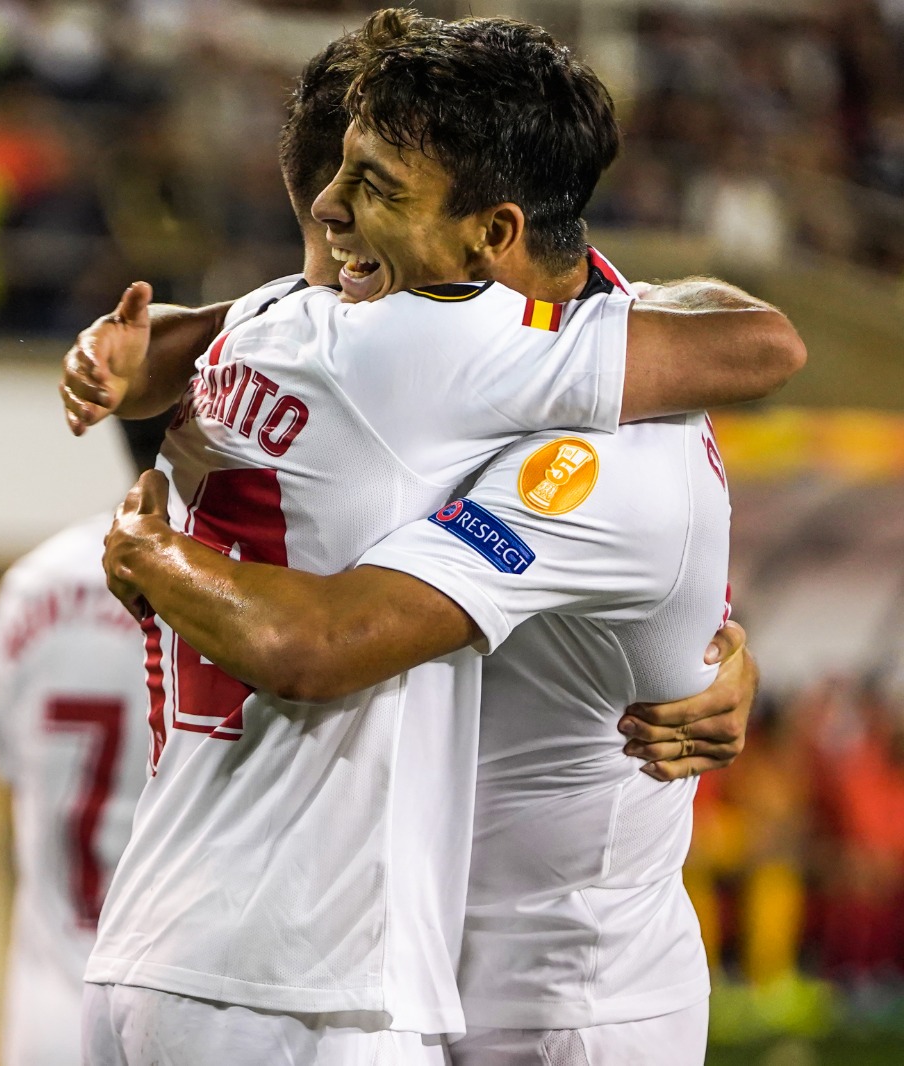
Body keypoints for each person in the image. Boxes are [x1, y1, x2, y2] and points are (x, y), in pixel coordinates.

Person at [62, 12, 798, 1065]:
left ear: (483, 236)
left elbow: (321, 636)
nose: (333, 272)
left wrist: (709, 647)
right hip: (347, 962)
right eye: (318, 236)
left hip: (547, 995)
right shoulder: (402, 343)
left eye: (365, 210)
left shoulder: (602, 438)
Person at [0, 416, 175, 1066]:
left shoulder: (33, 583)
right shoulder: (250, 594)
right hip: (186, 1004)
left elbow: (11, 792)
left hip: (51, 1011)